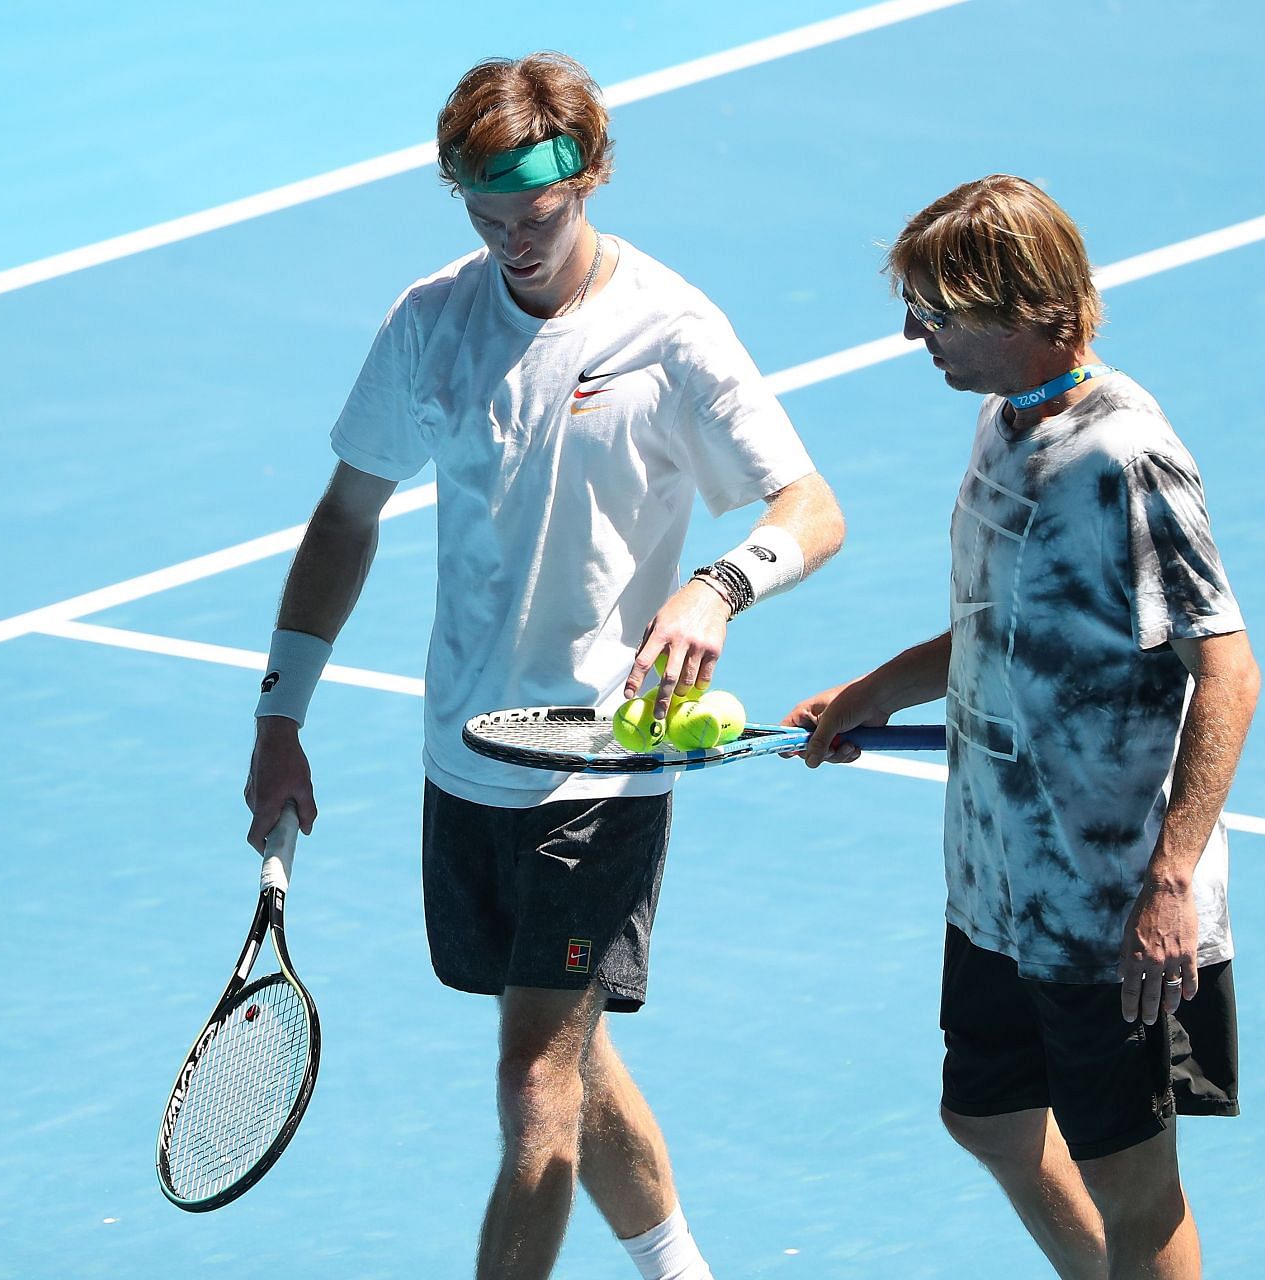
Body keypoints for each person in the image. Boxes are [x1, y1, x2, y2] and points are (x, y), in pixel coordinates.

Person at [242, 52, 844, 1280]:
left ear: (595, 175)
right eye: (487, 214)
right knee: (570, 1054)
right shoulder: (432, 325)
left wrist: (718, 586)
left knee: (532, 1082)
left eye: (542, 214)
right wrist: (280, 714)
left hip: (601, 762)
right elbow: (346, 516)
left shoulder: (671, 333)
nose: (515, 240)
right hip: (464, 758)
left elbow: (812, 505)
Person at [787, 175, 1259, 1280]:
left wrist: (1171, 881)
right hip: (998, 878)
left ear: (1023, 311)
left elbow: (1228, 671)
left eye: (937, 313)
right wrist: (877, 689)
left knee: (1134, 1185)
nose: (915, 334)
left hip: (1109, 908)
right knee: (990, 1116)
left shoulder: (1125, 459)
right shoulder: (1004, 423)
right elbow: (1005, 627)